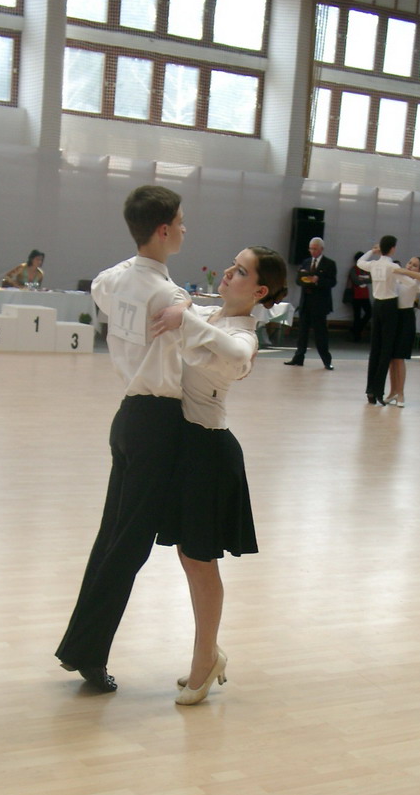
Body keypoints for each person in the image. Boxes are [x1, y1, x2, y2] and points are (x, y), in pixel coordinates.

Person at [55, 185, 194, 692]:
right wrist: (189, 307)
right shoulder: (169, 296)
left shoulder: (113, 280)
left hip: (129, 418)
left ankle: (80, 647)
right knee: (128, 545)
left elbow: (103, 285)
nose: (185, 229)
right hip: (158, 422)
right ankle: (87, 652)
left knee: (113, 538)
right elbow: (197, 350)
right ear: (163, 229)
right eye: (180, 221)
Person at [152, 246, 287, 704]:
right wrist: (187, 311)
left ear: (260, 291)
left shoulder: (244, 335)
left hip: (209, 451)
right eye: (232, 265)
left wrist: (186, 318)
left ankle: (204, 661)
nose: (228, 273)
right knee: (189, 557)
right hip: (186, 447)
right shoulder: (210, 315)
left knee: (200, 560)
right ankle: (208, 654)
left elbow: (234, 351)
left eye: (241, 271)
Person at [357, 235, 420, 405]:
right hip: (389, 308)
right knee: (386, 350)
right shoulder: (393, 266)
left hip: (376, 306)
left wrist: (371, 251)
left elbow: (360, 262)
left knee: (375, 348)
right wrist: (411, 274)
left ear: (381, 248)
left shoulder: (374, 264)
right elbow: (410, 284)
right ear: (393, 249)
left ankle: (370, 390)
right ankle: (379, 391)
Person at [284, 237, 337, 370]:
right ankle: (299, 357)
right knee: (302, 332)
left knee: (320, 333)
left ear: (321, 249)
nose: (312, 251)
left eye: (315, 249)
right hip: (306, 302)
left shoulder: (329, 264)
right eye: (310, 249)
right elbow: (298, 280)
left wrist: (318, 280)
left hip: (320, 304)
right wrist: (305, 279)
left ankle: (326, 360)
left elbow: (332, 282)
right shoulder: (306, 262)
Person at [385, 256, 420, 407]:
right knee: (391, 358)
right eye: (410, 263)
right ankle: (392, 391)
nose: (410, 265)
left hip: (406, 317)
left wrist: (406, 272)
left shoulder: (416, 280)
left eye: (415, 265)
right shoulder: (398, 276)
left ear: (419, 269)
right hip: (393, 316)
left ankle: (401, 393)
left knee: (399, 357)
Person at [347, 251, 372, 342]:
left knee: (369, 313)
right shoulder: (353, 269)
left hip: (365, 295)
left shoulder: (366, 270)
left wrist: (362, 279)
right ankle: (357, 335)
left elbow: (371, 279)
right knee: (356, 316)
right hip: (356, 295)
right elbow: (356, 281)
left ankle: (356, 329)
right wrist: (365, 279)